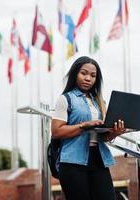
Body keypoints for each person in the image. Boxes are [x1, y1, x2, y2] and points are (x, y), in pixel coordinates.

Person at [51, 56, 128, 200]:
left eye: (93, 76)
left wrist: (114, 133)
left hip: (98, 159)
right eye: (83, 73)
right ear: (75, 74)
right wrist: (83, 126)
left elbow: (103, 137)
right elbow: (56, 131)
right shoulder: (66, 99)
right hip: (72, 161)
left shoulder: (99, 102)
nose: (88, 78)